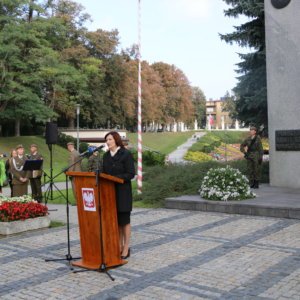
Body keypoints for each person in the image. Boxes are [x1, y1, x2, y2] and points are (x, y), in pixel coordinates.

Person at [102, 131, 135, 260]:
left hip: (123, 193)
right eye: (106, 140)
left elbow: (130, 173)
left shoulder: (125, 154)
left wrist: (115, 178)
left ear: (116, 140)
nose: (107, 142)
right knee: (115, 222)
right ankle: (118, 245)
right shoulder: (105, 156)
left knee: (124, 221)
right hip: (109, 194)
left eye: (109, 139)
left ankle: (126, 247)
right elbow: (104, 173)